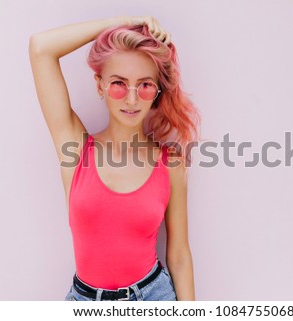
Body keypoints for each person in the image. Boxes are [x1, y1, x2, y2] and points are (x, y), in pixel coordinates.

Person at [28, 16, 200, 301]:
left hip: (153, 298)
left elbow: (179, 255)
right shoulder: (75, 149)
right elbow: (40, 48)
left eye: (144, 85)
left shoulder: (170, 165)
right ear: (100, 85)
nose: (131, 100)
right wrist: (125, 21)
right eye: (119, 83)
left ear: (156, 92)